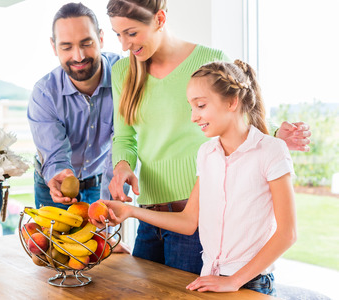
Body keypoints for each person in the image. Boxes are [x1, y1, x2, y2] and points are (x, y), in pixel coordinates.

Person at [106, 0, 309, 274]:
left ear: (160, 19)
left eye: (131, 33)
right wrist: (122, 166)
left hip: (197, 212)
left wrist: (273, 132)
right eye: (118, 34)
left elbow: (235, 105)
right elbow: (124, 138)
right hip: (149, 212)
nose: (124, 45)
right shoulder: (122, 72)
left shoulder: (207, 59)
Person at [92, 59, 297, 296]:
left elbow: (287, 233)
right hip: (208, 277)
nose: (193, 117)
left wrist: (234, 281)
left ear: (232, 102)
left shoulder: (271, 150)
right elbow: (189, 221)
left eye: (200, 106)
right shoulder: (206, 153)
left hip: (251, 281)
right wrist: (131, 212)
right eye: (191, 107)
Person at [27, 2, 121, 210]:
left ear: (101, 38)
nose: (78, 56)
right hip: (53, 185)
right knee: (52, 243)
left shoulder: (124, 76)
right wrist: (60, 174)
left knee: (101, 241)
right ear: (54, 47)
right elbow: (54, 154)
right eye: (67, 47)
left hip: (100, 180)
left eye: (86, 43)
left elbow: (123, 143)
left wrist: (109, 201)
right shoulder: (44, 93)